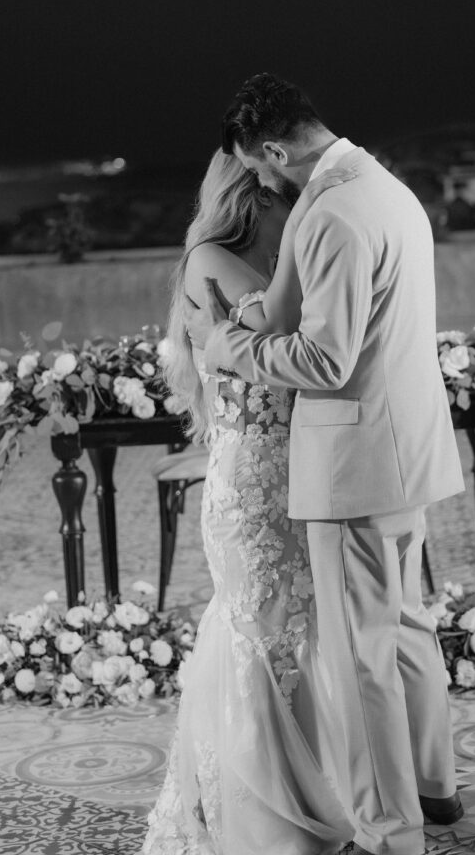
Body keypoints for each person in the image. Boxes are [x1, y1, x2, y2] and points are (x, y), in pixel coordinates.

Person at [183, 73, 466, 855]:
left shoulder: (331, 211)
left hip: (353, 463)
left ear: (274, 150)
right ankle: (435, 786)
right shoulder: (385, 190)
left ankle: (388, 829)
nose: (262, 185)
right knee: (406, 625)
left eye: (258, 167)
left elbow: (324, 359)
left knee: (362, 655)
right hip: (404, 452)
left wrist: (225, 343)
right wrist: (254, 314)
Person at [142, 148, 355, 855]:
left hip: (302, 470)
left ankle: (314, 782)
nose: (296, 198)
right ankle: (261, 817)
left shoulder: (276, 263)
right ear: (255, 194)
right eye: (285, 190)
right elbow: (282, 329)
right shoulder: (209, 259)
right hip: (250, 481)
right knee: (258, 629)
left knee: (299, 628)